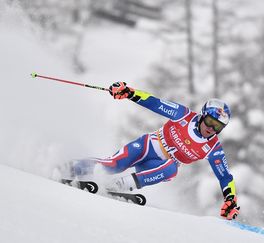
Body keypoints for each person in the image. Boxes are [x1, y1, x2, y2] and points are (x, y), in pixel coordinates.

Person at [61, 81, 240, 220]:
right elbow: (155, 103)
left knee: (172, 168)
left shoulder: (213, 148)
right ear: (202, 116)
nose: (211, 128)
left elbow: (225, 177)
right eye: (209, 122)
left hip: (157, 166)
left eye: (217, 127)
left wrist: (230, 200)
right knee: (111, 165)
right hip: (145, 147)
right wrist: (129, 93)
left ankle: (119, 185)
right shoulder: (183, 115)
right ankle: (70, 167)